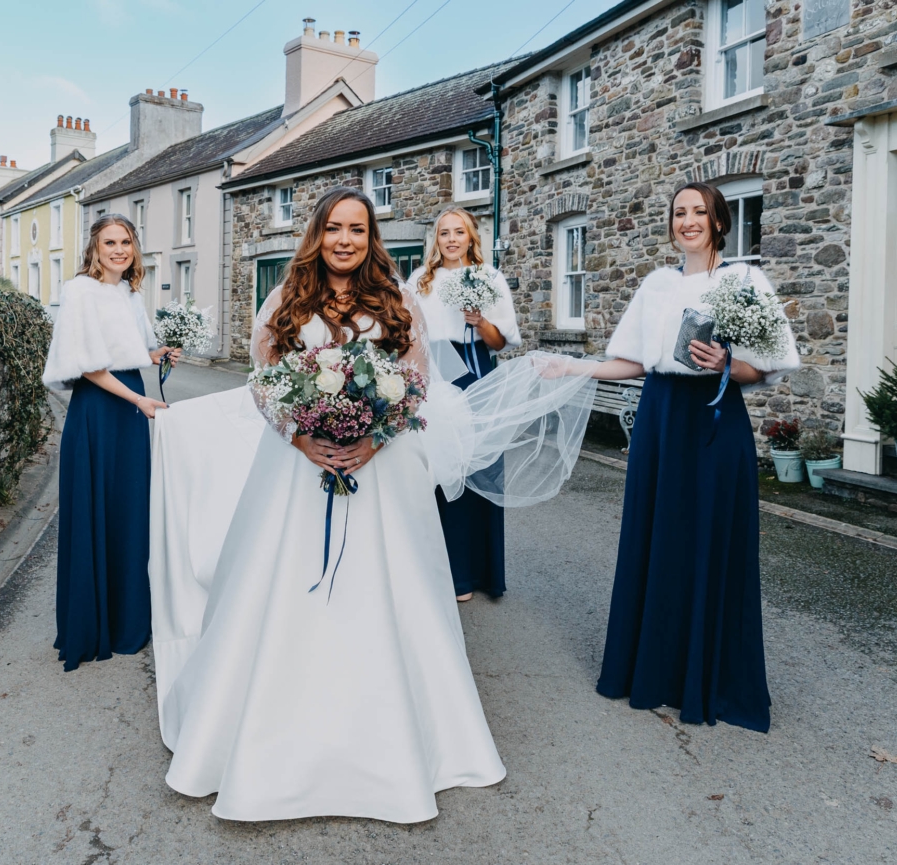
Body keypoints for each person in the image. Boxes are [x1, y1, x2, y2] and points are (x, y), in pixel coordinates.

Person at [159, 187, 506, 823]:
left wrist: (377, 436)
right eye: (334, 228)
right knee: (286, 588)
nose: (345, 239)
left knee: (388, 587)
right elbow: (264, 383)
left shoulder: (397, 300)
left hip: (381, 466)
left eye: (357, 229)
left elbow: (417, 378)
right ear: (317, 233)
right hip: (299, 465)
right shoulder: (288, 299)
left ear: (370, 237)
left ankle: (395, 735)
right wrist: (300, 436)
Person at [548, 182, 800, 732]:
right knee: (658, 537)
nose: (688, 221)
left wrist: (725, 364)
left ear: (719, 222)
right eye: (679, 212)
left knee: (711, 539)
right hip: (661, 420)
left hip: (712, 421)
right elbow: (632, 363)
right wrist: (572, 368)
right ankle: (654, 670)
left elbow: (766, 369)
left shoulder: (744, 281)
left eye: (699, 212)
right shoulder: (656, 285)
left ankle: (707, 679)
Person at [40, 214, 180, 672]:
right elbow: (89, 366)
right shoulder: (80, 290)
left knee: (128, 511)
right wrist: (139, 399)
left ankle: (127, 622)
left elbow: (127, 354)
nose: (119, 250)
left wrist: (156, 354)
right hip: (100, 412)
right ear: (94, 249)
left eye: (126, 242)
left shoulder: (128, 292)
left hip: (127, 408)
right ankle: (93, 626)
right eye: (109, 242)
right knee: (96, 510)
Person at [407, 206, 521, 601]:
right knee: (436, 468)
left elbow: (501, 342)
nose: (452, 239)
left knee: (479, 468)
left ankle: (474, 575)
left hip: (476, 377)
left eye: (459, 232)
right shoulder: (420, 281)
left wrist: (480, 321)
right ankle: (438, 571)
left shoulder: (489, 278)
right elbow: (408, 336)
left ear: (472, 237)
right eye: (444, 233)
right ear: (435, 240)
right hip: (432, 377)